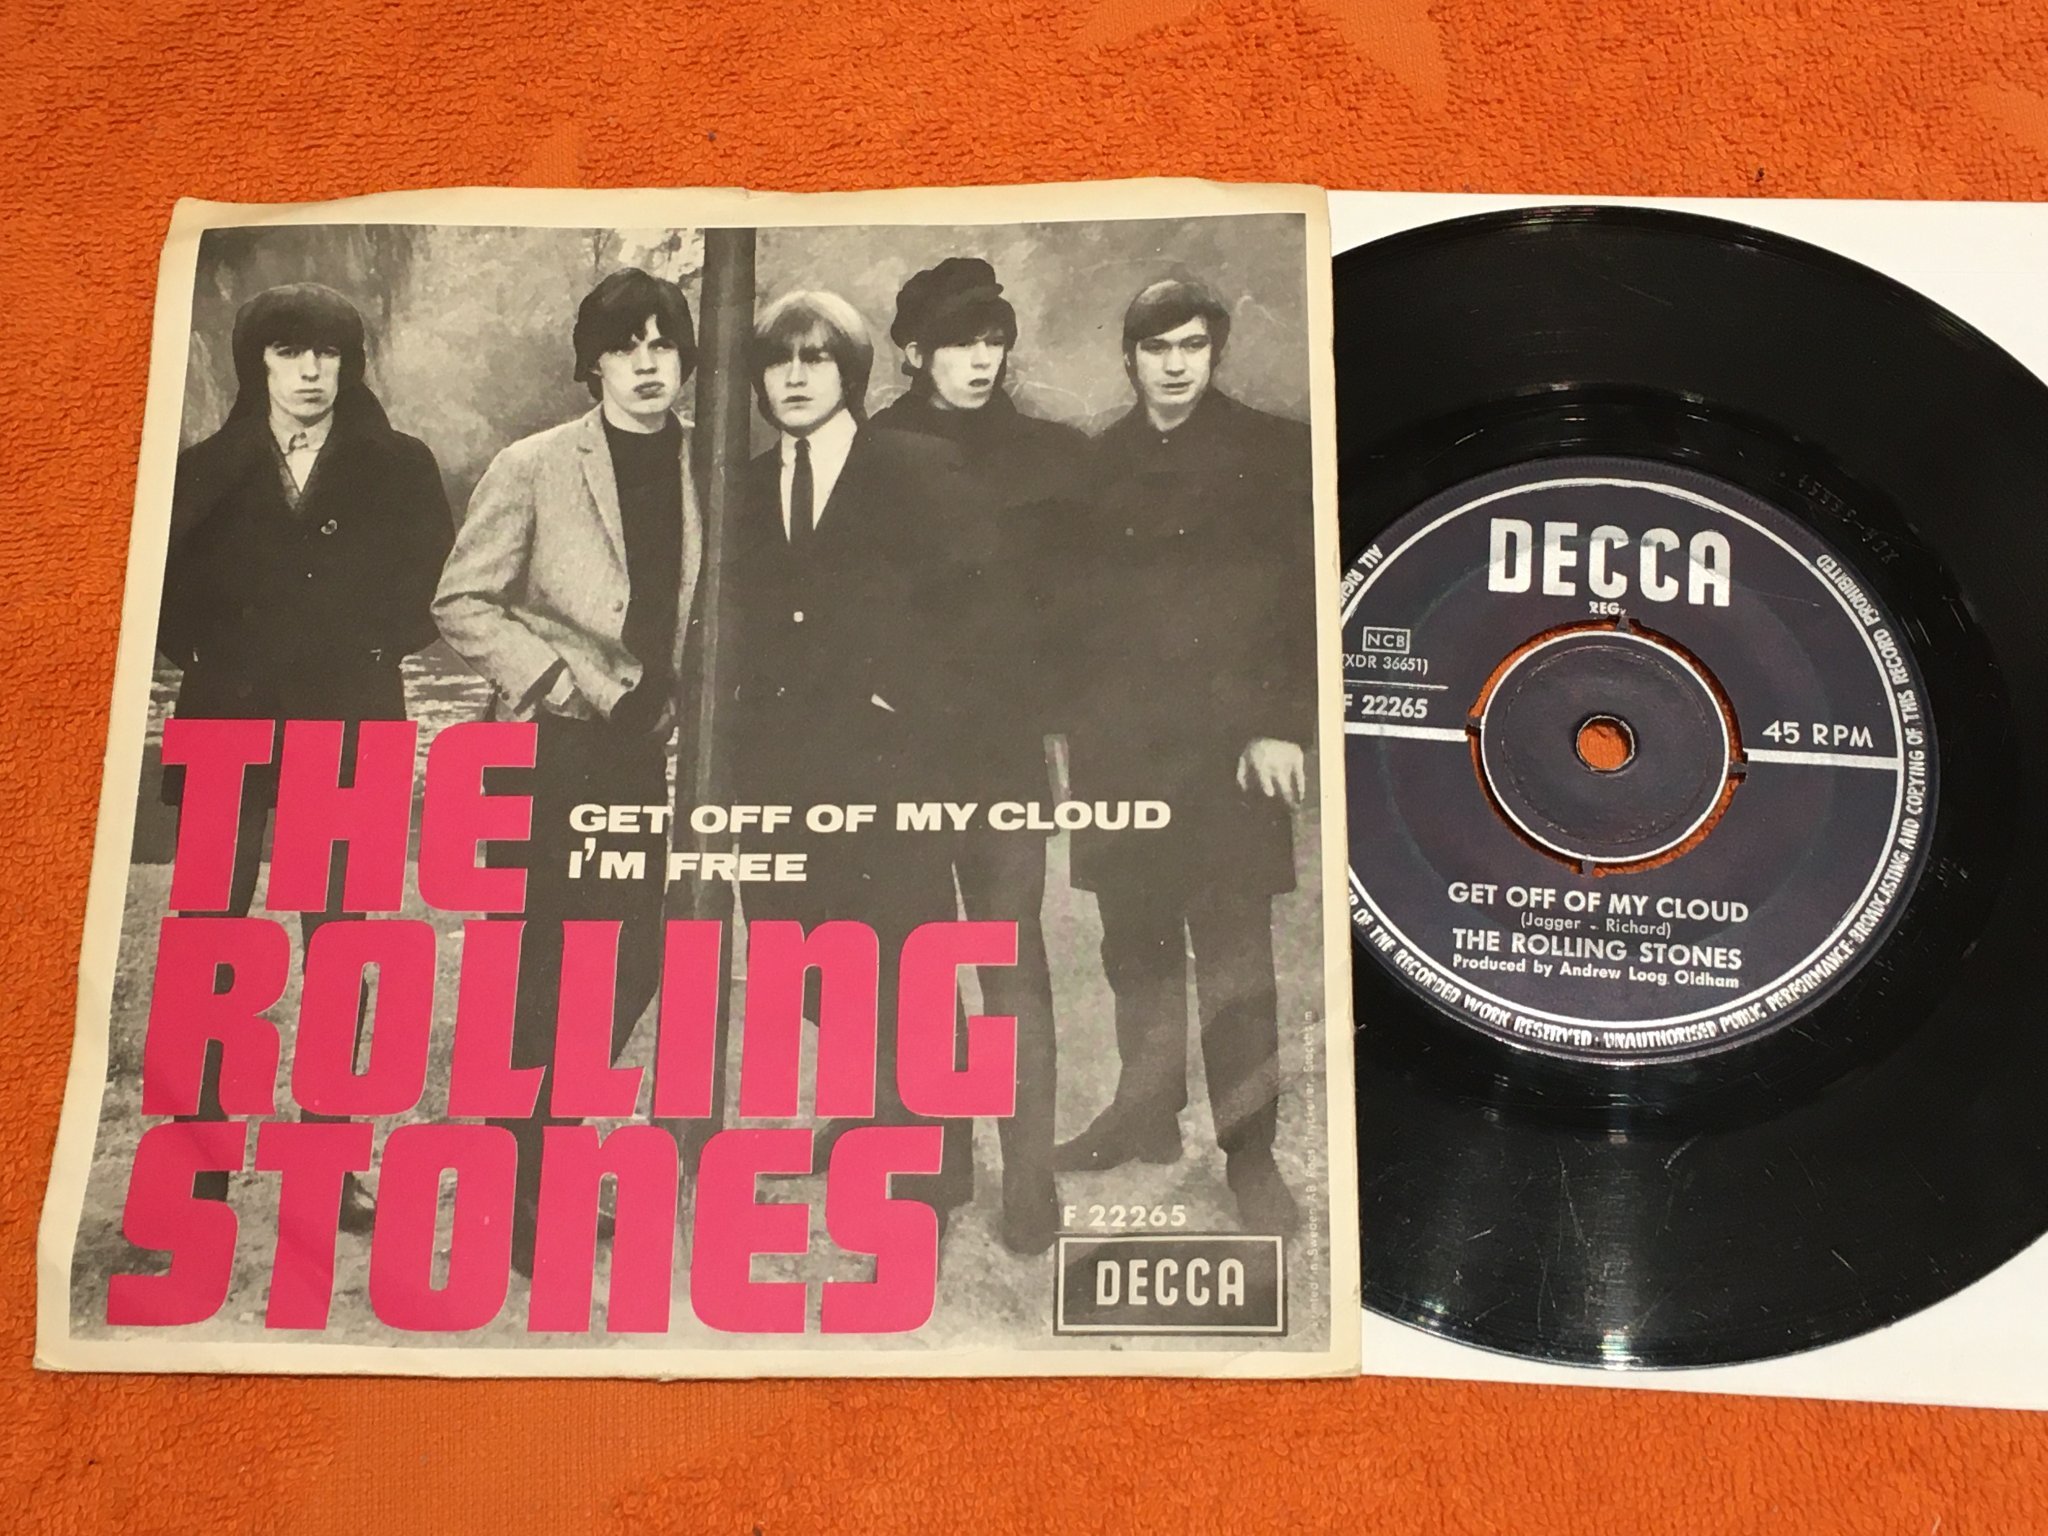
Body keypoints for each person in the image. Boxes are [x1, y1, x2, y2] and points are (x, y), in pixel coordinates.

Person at [158, 281, 452, 1228]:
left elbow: (431, 588)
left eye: (328, 352)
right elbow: (159, 594)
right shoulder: (204, 468)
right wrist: (222, 656)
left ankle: (327, 1162)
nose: (311, 371)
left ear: (350, 364)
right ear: (259, 363)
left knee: (338, 940)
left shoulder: (399, 466)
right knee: (211, 937)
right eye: (288, 351)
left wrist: (354, 647)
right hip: (226, 719)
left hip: (347, 718)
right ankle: (197, 1161)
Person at [432, 267, 704, 1276]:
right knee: (545, 973)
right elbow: (461, 602)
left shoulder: (710, 467)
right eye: (624, 346)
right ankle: (521, 1194)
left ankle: (541, 1162)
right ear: (592, 363)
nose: (646, 364)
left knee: (636, 957)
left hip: (650, 753)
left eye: (662, 345)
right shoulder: (535, 464)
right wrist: (558, 682)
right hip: (554, 748)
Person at [1055, 278, 1315, 1237]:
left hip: (1229, 752)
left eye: (1192, 347)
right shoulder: (1098, 463)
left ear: (1215, 352)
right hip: (1121, 748)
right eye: (1157, 348)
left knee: (1236, 959)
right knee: (1134, 945)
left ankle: (1252, 1157)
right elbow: (1072, 609)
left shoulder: (1275, 452)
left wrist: (1280, 723)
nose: (1175, 366)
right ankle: (1145, 1113)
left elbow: (1306, 599)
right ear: (1129, 358)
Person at [730, 289, 977, 1231]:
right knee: (804, 958)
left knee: (907, 956)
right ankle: (874, 1110)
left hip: (888, 766)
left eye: (817, 359)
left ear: (853, 373)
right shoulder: (744, 484)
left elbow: (978, 607)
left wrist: (906, 696)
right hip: (779, 770)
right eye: (778, 361)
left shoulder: (915, 464)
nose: (795, 378)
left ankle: (937, 1163)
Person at [866, 257, 1090, 1255]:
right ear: (914, 351)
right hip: (904, 745)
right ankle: (935, 1160)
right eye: (961, 342)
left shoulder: (1046, 455)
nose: (981, 360)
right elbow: (846, 594)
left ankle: (1028, 1177)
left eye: (994, 341)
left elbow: (1074, 604)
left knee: (1009, 956)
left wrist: (1044, 697)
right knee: (919, 960)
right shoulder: (870, 452)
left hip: (1001, 746)